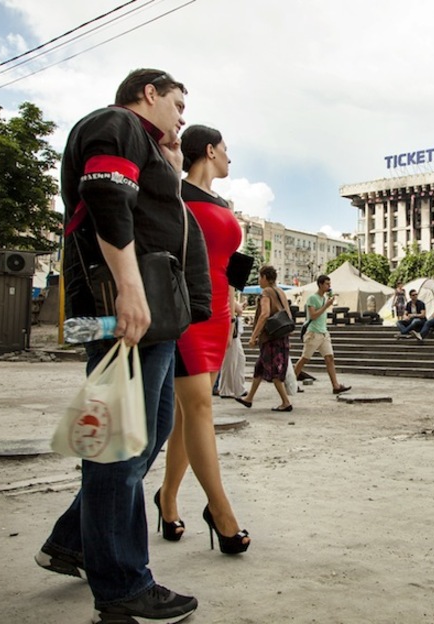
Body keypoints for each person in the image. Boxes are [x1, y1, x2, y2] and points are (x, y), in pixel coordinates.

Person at [36, 69, 203, 623]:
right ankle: (123, 589)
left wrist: (171, 173)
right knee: (119, 450)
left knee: (142, 437)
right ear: (149, 93)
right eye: (177, 103)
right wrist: (131, 291)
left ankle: (73, 542)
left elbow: (144, 212)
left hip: (147, 317)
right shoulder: (116, 123)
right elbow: (107, 196)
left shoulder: (148, 147)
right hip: (126, 311)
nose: (182, 117)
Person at [157, 125, 250, 555]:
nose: (230, 158)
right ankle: (220, 511)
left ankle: (167, 499)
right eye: (226, 150)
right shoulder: (175, 195)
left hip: (219, 311)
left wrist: (235, 297)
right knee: (199, 407)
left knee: (186, 413)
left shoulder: (223, 202)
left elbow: (230, 261)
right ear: (209, 150)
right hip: (186, 307)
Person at [239, 265, 294, 411]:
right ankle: (249, 398)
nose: (259, 280)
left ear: (264, 277)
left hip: (270, 337)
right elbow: (288, 314)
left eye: (259, 277)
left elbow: (264, 314)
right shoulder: (280, 291)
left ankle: (286, 402)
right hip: (281, 335)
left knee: (275, 370)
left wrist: (253, 336)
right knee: (260, 367)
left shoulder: (266, 292)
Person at [294, 274, 352, 394]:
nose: (329, 286)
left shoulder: (324, 298)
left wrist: (327, 304)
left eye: (329, 284)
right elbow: (313, 315)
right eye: (327, 284)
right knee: (304, 359)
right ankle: (291, 383)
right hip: (313, 333)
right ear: (320, 285)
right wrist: (326, 306)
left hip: (323, 333)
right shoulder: (312, 298)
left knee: (330, 358)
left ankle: (335, 385)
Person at [217, 300, 247, 399]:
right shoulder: (228, 291)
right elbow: (238, 309)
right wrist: (239, 306)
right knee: (230, 360)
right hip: (230, 330)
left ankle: (238, 387)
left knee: (239, 359)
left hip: (233, 330)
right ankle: (226, 389)